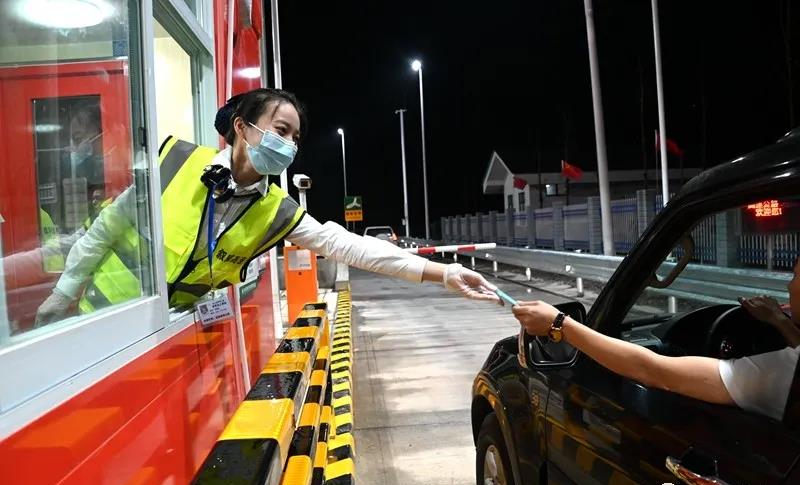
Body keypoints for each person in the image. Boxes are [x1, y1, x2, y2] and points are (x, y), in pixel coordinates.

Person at [35, 88, 500, 324]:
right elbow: (104, 230)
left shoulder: (277, 210)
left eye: (295, 137)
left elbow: (350, 246)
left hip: (167, 334)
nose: (289, 144)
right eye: (280, 129)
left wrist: (444, 273)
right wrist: (63, 292)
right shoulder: (174, 161)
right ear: (242, 128)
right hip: (94, 318)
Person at [512, 257, 800, 421]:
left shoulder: (780, 375)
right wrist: (778, 322)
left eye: (797, 274)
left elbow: (655, 372)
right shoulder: (789, 363)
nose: (789, 284)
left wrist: (559, 324)